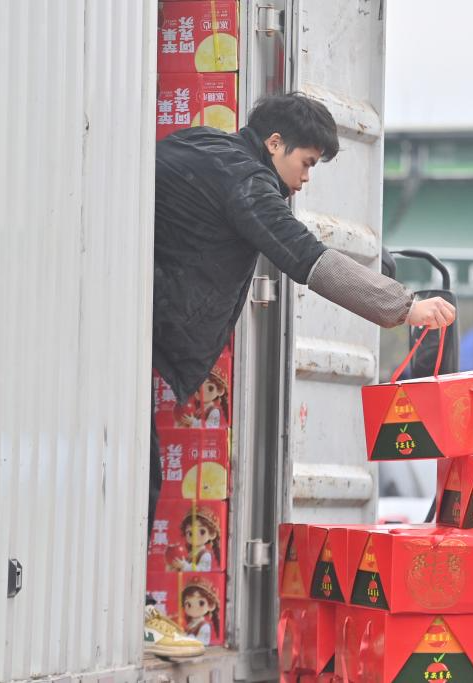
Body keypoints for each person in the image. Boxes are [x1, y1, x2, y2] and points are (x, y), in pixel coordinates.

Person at [146, 93, 455, 656]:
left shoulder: (200, 143)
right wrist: (405, 307)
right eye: (306, 163)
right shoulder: (248, 184)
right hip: (145, 328)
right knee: (140, 474)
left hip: (134, 324)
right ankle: (130, 612)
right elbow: (307, 258)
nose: (306, 178)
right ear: (274, 144)